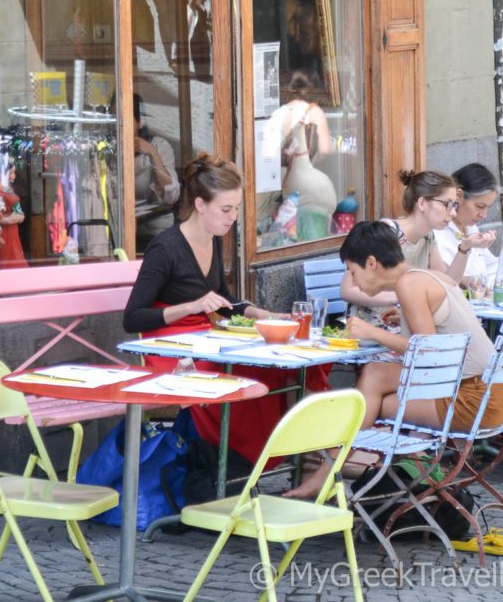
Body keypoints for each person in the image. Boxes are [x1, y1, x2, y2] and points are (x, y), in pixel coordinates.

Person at [285, 221, 503, 499]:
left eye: (353, 272)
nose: (353, 282)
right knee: (375, 380)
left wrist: (374, 332)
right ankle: (341, 473)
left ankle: (328, 471)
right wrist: (403, 317)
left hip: (473, 400)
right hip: (491, 392)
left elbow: (427, 352)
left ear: (371, 263)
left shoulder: (409, 284)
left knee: (368, 393)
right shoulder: (425, 276)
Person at [123, 153, 323, 462]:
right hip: (169, 348)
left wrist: (261, 314)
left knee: (269, 369)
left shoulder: (213, 238)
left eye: (237, 209)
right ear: (200, 205)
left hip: (203, 340)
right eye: (226, 209)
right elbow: (133, 317)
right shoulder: (165, 248)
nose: (233, 217)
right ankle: (239, 460)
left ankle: (269, 458)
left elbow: (223, 299)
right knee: (240, 375)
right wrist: (192, 305)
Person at [339, 169, 465, 321]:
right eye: (447, 204)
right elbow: (347, 290)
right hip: (366, 329)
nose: (453, 213)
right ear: (422, 203)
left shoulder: (428, 237)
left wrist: (465, 249)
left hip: (401, 325)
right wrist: (404, 296)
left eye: (455, 206)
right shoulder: (386, 232)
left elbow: (445, 284)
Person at [257, 73, 335, 248]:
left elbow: (268, 151)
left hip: (282, 181)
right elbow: (325, 149)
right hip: (307, 182)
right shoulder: (314, 111)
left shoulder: (279, 113)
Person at [432, 163, 499, 288]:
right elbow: (441, 279)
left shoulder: (471, 228)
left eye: (487, 208)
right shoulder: (436, 230)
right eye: (480, 206)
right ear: (458, 196)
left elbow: (493, 269)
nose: (483, 215)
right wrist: (466, 281)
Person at [132, 95, 180, 244]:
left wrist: (152, 153)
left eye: (125, 119)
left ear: (140, 122)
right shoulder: (108, 151)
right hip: (121, 229)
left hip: (155, 231)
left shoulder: (159, 146)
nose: (118, 125)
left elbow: (171, 196)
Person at [0, 145, 27, 268]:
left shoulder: (6, 189)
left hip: (11, 231)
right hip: (3, 232)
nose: (13, 176)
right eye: (11, 172)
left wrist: (16, 217)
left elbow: (19, 213)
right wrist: (7, 220)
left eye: (14, 172)